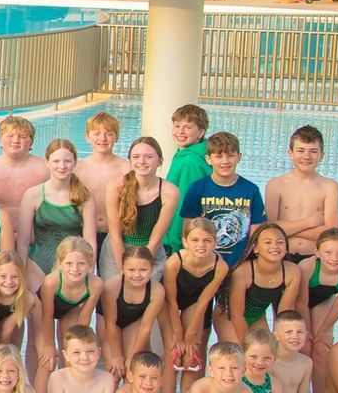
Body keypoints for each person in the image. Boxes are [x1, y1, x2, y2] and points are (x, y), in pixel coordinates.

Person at [179, 131, 263, 271]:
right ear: (208, 159)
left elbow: (256, 232)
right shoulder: (197, 188)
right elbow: (188, 230)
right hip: (205, 262)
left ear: (239, 157)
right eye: (218, 156)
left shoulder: (251, 190)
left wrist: (245, 262)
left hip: (240, 264)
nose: (225, 161)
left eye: (230, 155)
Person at [17, 139, 94, 288]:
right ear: (47, 162)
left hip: (73, 266)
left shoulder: (85, 197)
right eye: (56, 161)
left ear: (75, 163)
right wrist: (21, 270)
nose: (62, 166)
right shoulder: (33, 195)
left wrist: (89, 269)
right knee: (38, 309)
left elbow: (90, 239)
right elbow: (23, 241)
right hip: (39, 262)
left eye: (67, 161)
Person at [162, 217, 227, 389]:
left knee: (191, 353)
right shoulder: (174, 262)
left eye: (207, 240)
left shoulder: (220, 267)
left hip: (195, 303)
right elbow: (170, 299)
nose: (201, 245)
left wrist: (190, 333)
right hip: (169, 303)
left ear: (215, 242)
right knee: (173, 352)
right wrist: (178, 332)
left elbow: (203, 301)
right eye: (195, 240)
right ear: (185, 242)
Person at [34, 237, 100, 393]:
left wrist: (76, 347)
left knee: (73, 358)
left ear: (90, 264)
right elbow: (47, 316)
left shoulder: (95, 284)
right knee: (47, 362)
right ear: (60, 263)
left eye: (81, 264)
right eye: (69, 264)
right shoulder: (51, 281)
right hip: (41, 309)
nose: (75, 269)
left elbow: (84, 320)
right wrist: (49, 346)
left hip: (69, 310)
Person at [264, 125, 338, 263]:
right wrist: (309, 223)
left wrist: (286, 230)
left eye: (313, 151)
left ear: (322, 155)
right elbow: (270, 228)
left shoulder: (330, 186)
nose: (306, 156)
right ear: (290, 153)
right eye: (301, 150)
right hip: (282, 256)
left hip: (314, 257)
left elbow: (331, 233)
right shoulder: (276, 185)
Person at [104, 137, 179, 276]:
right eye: (136, 157)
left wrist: (141, 266)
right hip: (117, 248)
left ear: (160, 161)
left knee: (147, 293)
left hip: (150, 250)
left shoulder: (169, 192)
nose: (142, 161)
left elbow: (156, 238)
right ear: (130, 161)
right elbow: (115, 235)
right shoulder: (115, 187)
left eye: (149, 157)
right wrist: (123, 268)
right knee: (117, 291)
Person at [224, 222, 301, 342]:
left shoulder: (293, 271)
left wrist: (279, 342)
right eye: (268, 242)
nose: (275, 246)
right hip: (228, 316)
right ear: (256, 248)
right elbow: (236, 314)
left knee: (269, 351)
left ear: (286, 248)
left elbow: (283, 314)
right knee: (241, 354)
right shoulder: (243, 271)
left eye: (280, 242)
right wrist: (247, 345)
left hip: (258, 317)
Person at [99, 246, 163, 381]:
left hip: (134, 322)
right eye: (131, 270)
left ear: (152, 268)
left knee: (131, 371)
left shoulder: (157, 291)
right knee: (114, 372)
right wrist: (117, 356)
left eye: (143, 270)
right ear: (122, 268)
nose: (137, 275)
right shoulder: (111, 286)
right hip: (109, 324)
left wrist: (131, 358)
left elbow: (146, 326)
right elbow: (110, 323)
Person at [161, 103, 212, 253]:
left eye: (188, 127)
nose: (180, 132)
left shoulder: (191, 162)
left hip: (178, 241)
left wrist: (177, 243)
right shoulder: (187, 154)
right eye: (177, 126)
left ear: (201, 132)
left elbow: (182, 204)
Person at [300, 228, 338, 350]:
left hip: (324, 300)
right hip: (300, 301)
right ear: (317, 252)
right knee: (304, 343)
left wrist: (323, 331)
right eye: (328, 252)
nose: (334, 259)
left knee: (321, 344)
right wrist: (307, 330)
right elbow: (301, 302)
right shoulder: (306, 266)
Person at [0, 251, 35, 362]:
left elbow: (6, 330)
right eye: (3, 276)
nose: (9, 282)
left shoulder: (27, 299)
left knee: (9, 357)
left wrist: (2, 359)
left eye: (14, 276)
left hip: (7, 325)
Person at [73, 111, 131, 217]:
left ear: (116, 137)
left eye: (109, 134)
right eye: (97, 133)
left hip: (116, 230)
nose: (103, 139)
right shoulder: (77, 168)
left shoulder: (127, 169)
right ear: (87, 137)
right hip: (82, 229)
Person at [0, 116, 47, 212]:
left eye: (22, 137)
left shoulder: (46, 169)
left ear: (31, 142)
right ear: (0, 140)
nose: (15, 141)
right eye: (10, 136)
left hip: (35, 226)